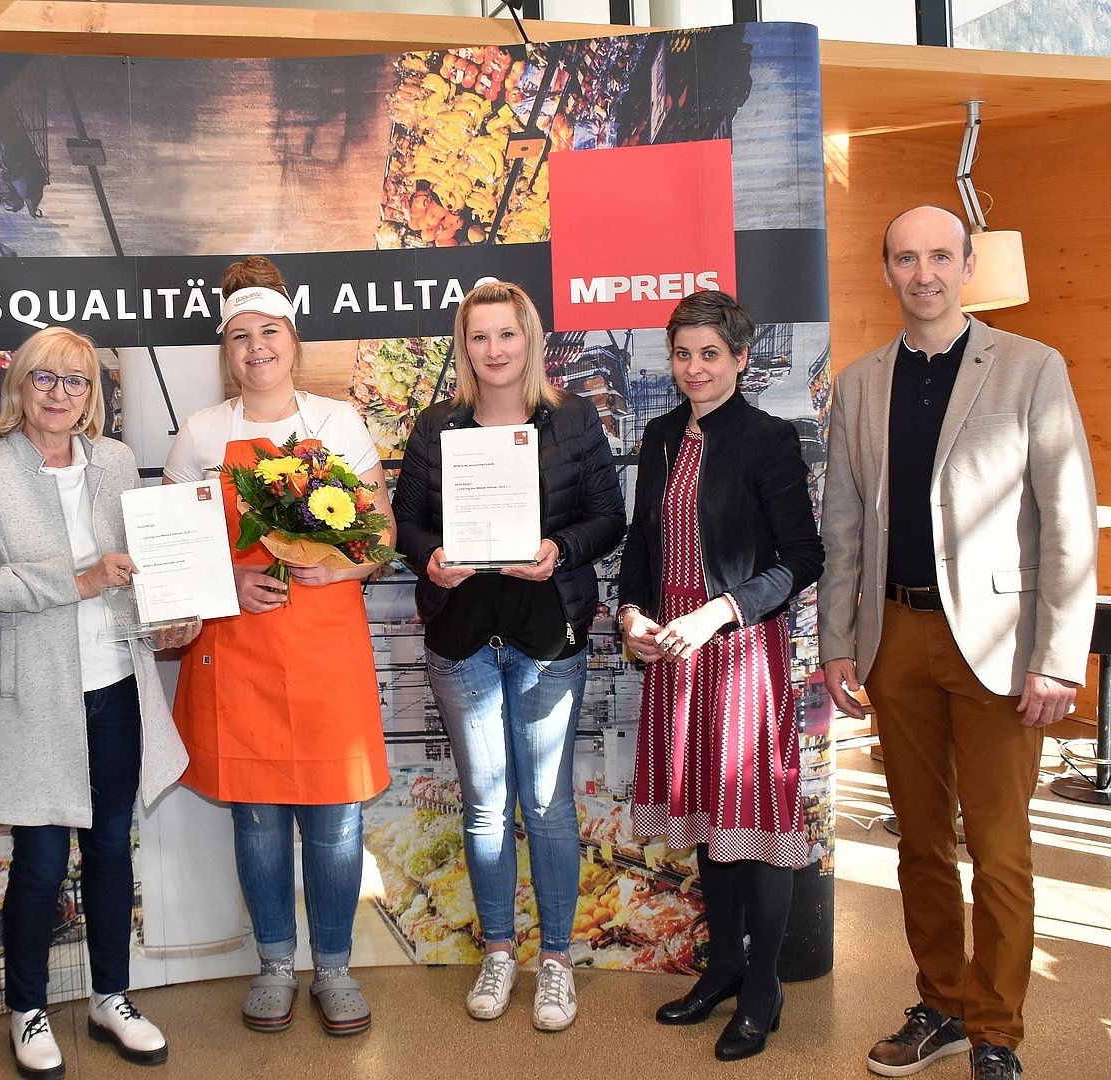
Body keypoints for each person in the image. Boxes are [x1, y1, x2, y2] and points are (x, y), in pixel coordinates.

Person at [819, 206, 1096, 1080]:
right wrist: (836, 640)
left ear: (967, 266)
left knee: (1001, 851)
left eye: (940, 256)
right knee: (921, 843)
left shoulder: (1031, 367)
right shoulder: (859, 384)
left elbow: (1067, 521)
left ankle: (996, 1034)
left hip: (1001, 645)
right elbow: (843, 527)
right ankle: (939, 1004)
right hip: (894, 638)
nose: (924, 273)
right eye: (907, 258)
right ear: (888, 270)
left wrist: (1059, 656)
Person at [0, 327, 194, 1080]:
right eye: (45, 378)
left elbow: (143, 567)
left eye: (76, 381)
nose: (60, 394)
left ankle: (111, 997)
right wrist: (79, 579)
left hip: (115, 685)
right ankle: (27, 1008)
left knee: (112, 849)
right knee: (42, 860)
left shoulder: (114, 462)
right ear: (19, 387)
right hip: (34, 697)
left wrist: (171, 615)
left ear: (93, 395)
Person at [162, 255, 395, 1037]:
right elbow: (173, 553)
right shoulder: (201, 434)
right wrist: (228, 581)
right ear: (225, 350)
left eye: (269, 331)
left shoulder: (338, 423)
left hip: (326, 646)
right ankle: (271, 965)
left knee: (334, 820)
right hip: (238, 651)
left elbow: (382, 533)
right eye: (240, 336)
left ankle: (333, 967)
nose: (255, 347)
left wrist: (339, 566)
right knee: (257, 819)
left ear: (293, 340)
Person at [393, 281, 624, 1030]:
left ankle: (555, 961)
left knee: (549, 805)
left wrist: (561, 549)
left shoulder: (574, 419)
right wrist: (430, 560)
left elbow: (609, 517)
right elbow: (406, 522)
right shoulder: (435, 426)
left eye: (506, 334)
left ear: (530, 339)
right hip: (461, 638)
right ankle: (498, 951)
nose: (494, 350)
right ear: (465, 347)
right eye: (479, 337)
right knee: (486, 805)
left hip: (546, 637)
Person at [617, 290, 823, 1063]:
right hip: (673, 654)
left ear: (740, 358)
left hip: (738, 652)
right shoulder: (661, 436)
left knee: (753, 824)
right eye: (683, 354)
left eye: (710, 353)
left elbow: (803, 558)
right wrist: (631, 616)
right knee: (708, 818)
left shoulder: (770, 438)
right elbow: (642, 544)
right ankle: (725, 965)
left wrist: (719, 613)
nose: (694, 368)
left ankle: (763, 986)